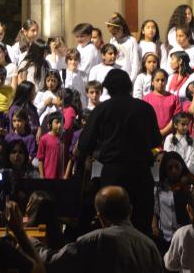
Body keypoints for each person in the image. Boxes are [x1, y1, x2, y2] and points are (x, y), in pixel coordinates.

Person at [77, 69, 162, 235]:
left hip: (113, 173)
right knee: (141, 228)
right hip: (140, 173)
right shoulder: (145, 108)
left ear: (108, 88)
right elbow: (155, 141)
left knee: (112, 227)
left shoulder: (102, 109)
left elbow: (85, 144)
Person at [33, 186, 162, 273]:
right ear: (131, 210)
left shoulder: (94, 240)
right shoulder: (150, 246)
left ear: (100, 216)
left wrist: (31, 240)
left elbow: (53, 261)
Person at [143, 69, 181, 137]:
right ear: (152, 82)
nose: (160, 82)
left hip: (169, 136)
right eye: (157, 80)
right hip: (151, 136)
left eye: (163, 80)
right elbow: (144, 119)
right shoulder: (146, 99)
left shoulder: (174, 98)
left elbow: (177, 118)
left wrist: (163, 132)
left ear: (166, 81)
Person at [106, 12, 141, 81]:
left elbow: (135, 63)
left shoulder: (131, 41)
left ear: (121, 29)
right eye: (111, 33)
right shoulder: (112, 41)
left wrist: (131, 80)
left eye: (115, 33)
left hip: (127, 77)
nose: (113, 36)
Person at [37, 113, 64, 179]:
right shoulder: (44, 139)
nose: (60, 125)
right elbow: (40, 159)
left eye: (61, 122)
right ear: (49, 125)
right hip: (48, 176)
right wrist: (42, 176)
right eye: (57, 122)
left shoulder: (63, 140)